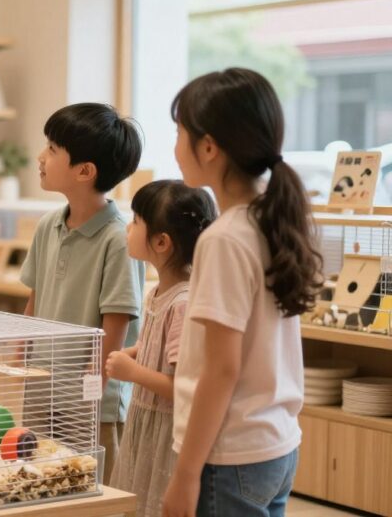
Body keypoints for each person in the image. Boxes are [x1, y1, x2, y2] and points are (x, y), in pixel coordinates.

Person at [163, 68, 324, 517]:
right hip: (276, 443)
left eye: (179, 133)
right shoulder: (270, 220)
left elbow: (221, 369)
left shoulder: (224, 238)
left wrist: (186, 473)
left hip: (229, 454)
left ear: (209, 147)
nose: (176, 147)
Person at [20, 102, 144, 478]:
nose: (41, 157)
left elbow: (117, 320)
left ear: (85, 171)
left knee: (92, 483)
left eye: (53, 150)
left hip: (89, 399)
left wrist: (95, 388)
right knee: (40, 478)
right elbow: (34, 300)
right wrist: (19, 361)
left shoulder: (117, 238)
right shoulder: (47, 225)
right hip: (41, 386)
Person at [106, 180, 217, 516]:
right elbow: (153, 346)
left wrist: (132, 373)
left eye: (136, 221)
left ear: (161, 242)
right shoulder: (157, 293)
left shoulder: (182, 302)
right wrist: (131, 353)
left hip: (166, 429)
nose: (128, 227)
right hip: (145, 421)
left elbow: (181, 386)